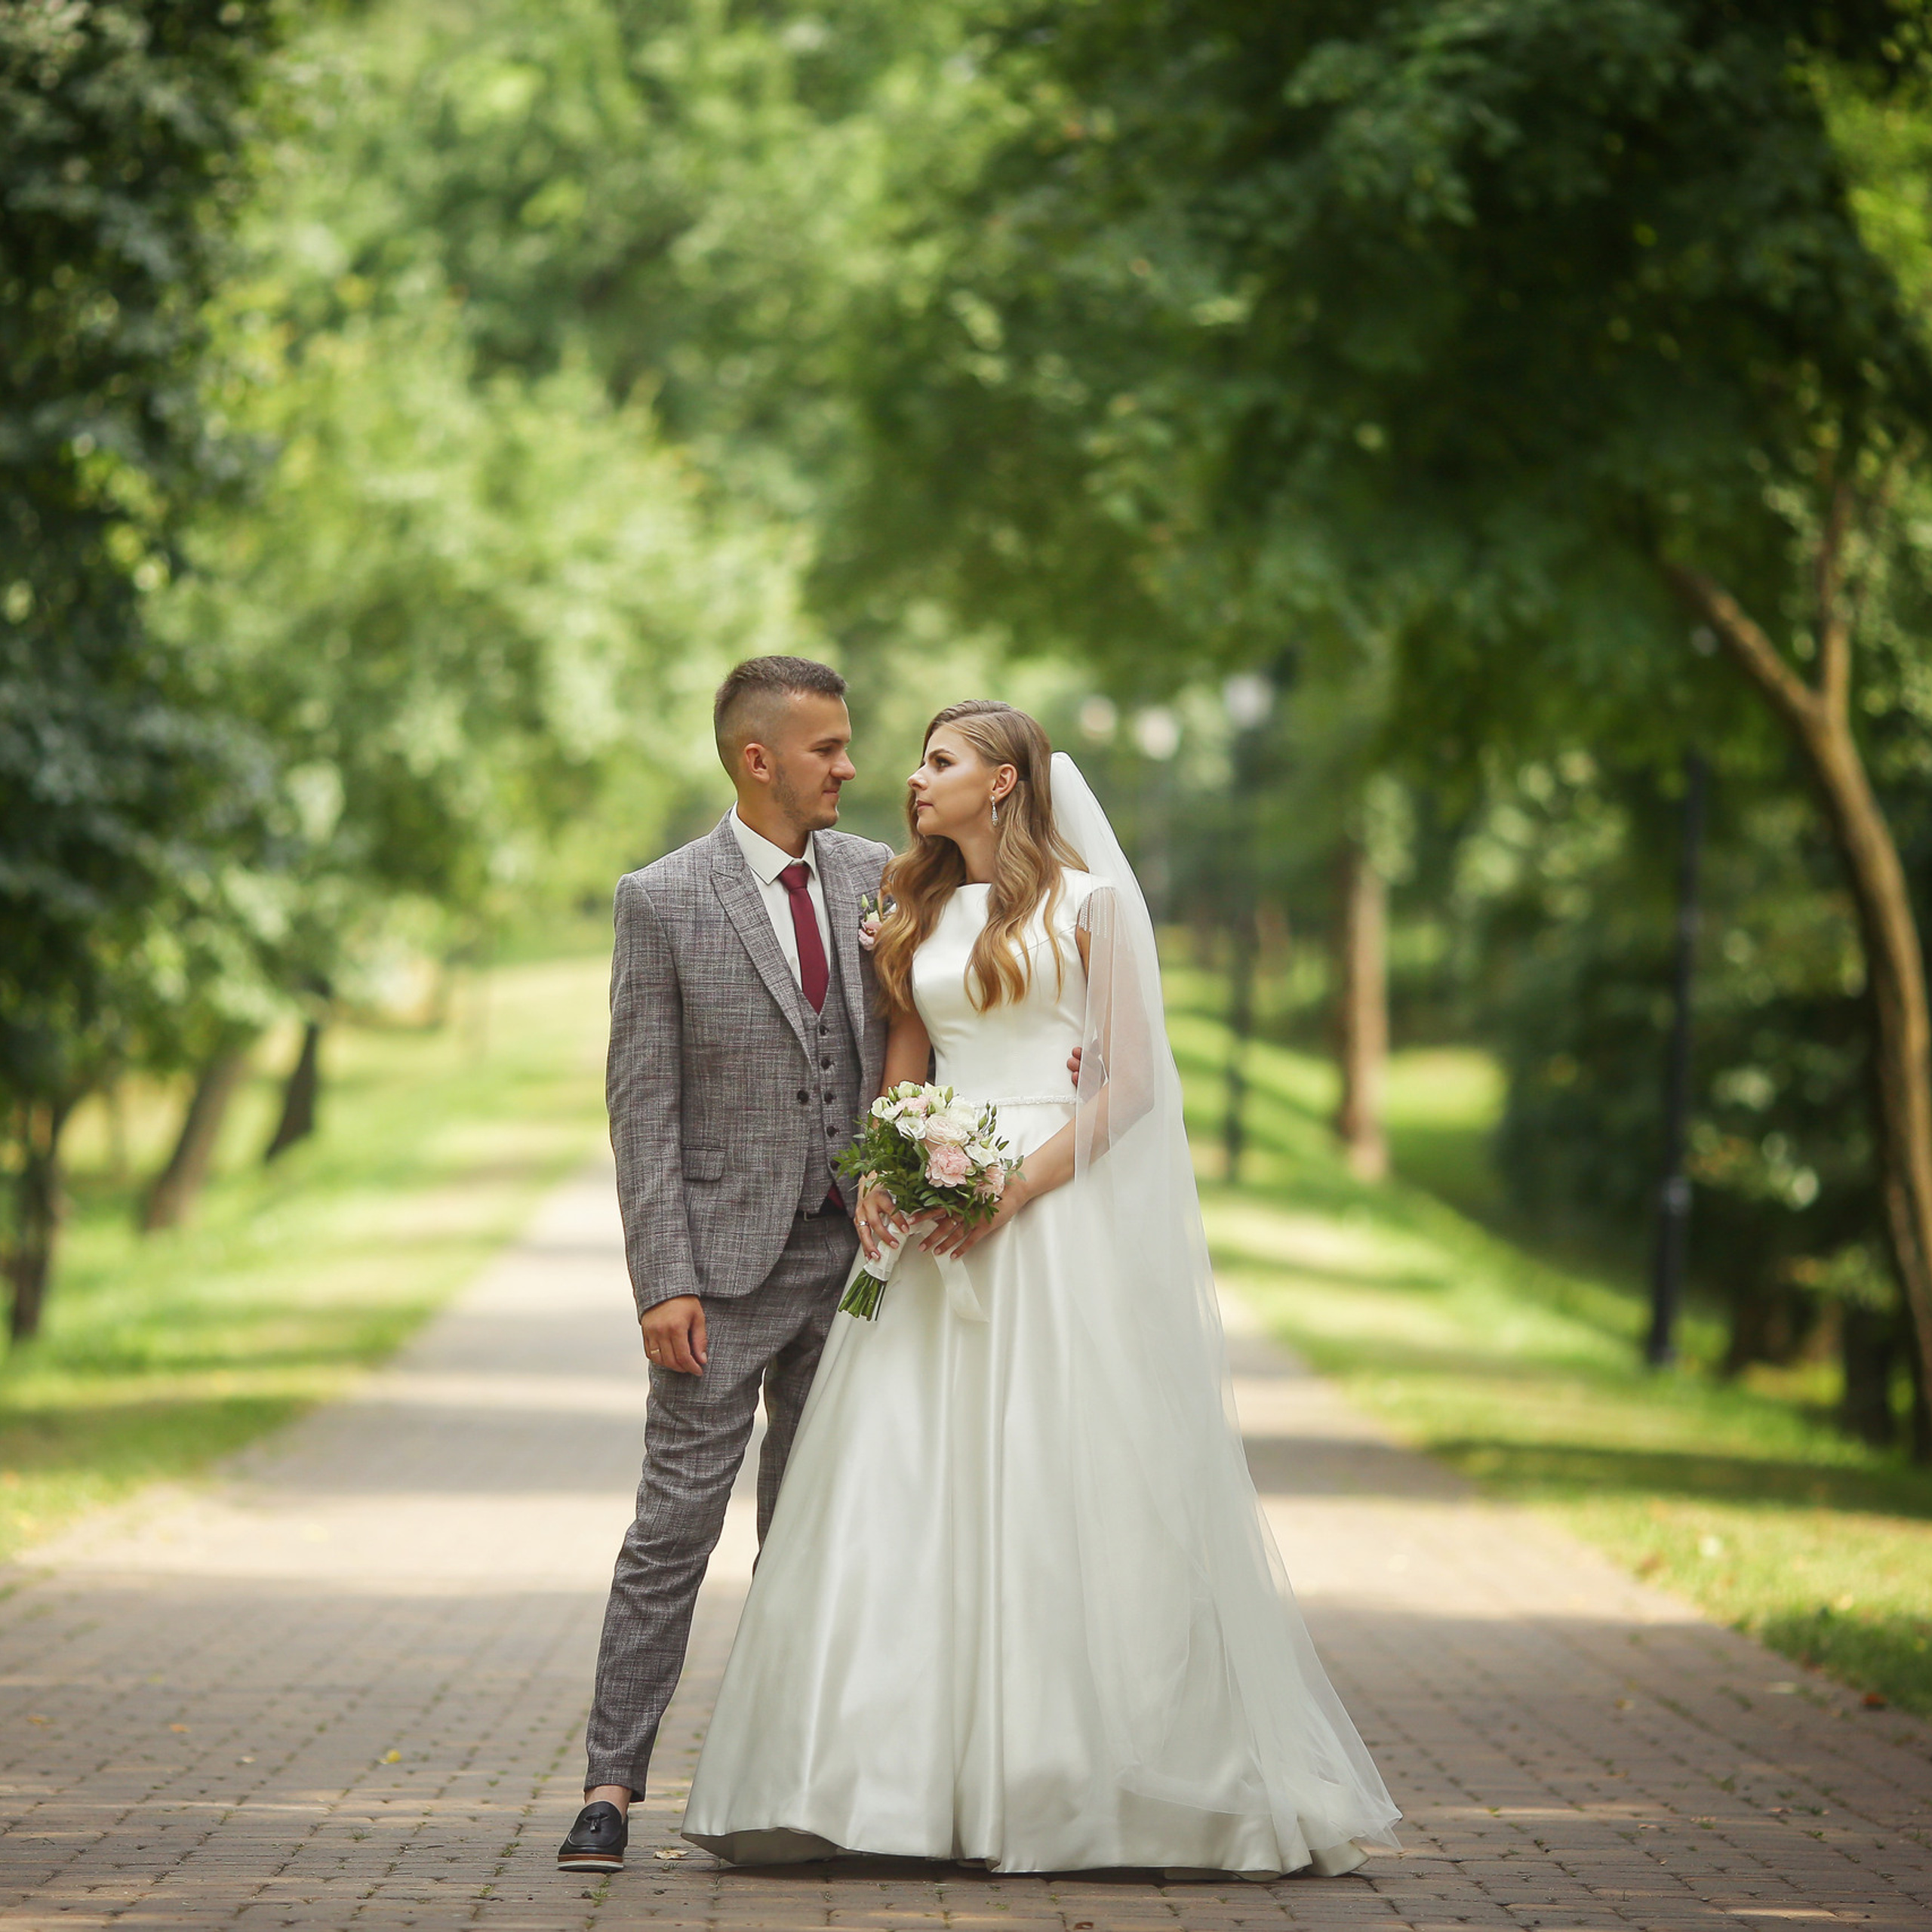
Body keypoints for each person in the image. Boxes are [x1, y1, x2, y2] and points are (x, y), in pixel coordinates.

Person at [679, 700, 1401, 1878]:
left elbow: (1126, 1091)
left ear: (1006, 783)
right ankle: (877, 1784)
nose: (913, 780)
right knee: (906, 1477)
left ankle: (1070, 1773)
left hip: (1049, 1220)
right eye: (918, 760)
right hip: (925, 1224)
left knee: (1059, 1472)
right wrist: (881, 1172)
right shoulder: (911, 910)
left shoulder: (1092, 908)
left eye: (941, 761)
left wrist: (1011, 1191)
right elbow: (907, 1064)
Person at [557, 657, 892, 1875]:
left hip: (856, 1261)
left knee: (816, 1532)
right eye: (828, 749)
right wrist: (663, 1280)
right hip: (721, 1274)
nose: (852, 768)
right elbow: (641, 1106)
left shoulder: (877, 879)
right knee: (673, 1532)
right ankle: (608, 1783)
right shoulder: (662, 899)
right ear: (759, 759)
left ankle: (802, 1778)